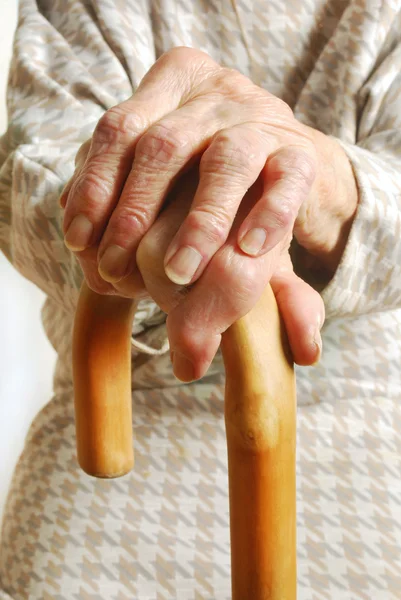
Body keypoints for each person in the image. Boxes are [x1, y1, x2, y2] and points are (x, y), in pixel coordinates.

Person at [0, 0, 400, 598]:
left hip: (374, 419)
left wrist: (308, 178)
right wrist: (160, 204)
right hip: (121, 406)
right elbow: (28, 184)